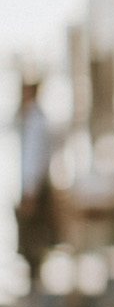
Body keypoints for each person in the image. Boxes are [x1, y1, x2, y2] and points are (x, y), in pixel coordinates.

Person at [15, 79, 54, 288]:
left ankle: (35, 280)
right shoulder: (33, 118)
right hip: (34, 187)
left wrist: (30, 192)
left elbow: (34, 158)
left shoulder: (35, 120)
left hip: (34, 189)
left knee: (33, 236)